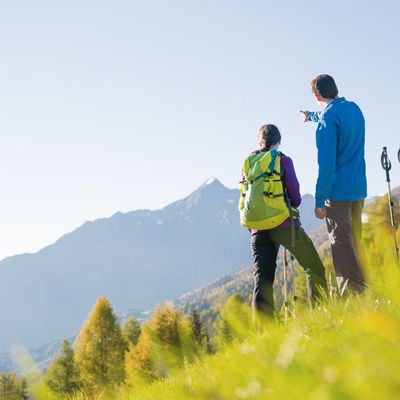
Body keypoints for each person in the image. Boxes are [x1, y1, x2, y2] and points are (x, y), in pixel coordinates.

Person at [241, 124, 327, 317]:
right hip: (285, 226)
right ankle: (322, 314)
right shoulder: (283, 161)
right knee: (313, 267)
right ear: (279, 141)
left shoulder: (248, 164)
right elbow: (295, 198)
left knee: (262, 281)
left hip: (257, 230)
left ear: (260, 142)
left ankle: (264, 333)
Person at [300, 74, 367, 295]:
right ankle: (367, 292)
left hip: (338, 194)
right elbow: (332, 115)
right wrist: (311, 116)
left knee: (341, 245)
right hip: (359, 190)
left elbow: (326, 165)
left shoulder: (328, 121)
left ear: (316, 95)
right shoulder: (354, 109)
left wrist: (320, 200)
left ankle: (351, 300)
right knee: (355, 242)